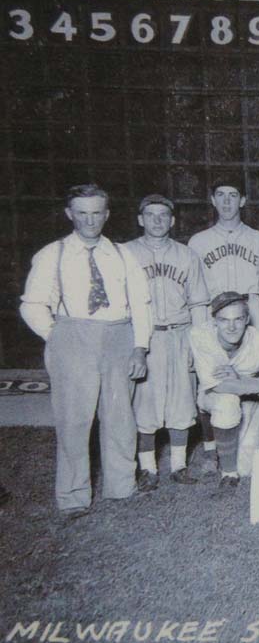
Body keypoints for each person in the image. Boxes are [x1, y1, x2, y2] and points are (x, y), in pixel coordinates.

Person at [20, 183, 152, 519]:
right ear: (69, 214)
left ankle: (122, 486)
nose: (90, 220)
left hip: (119, 335)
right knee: (74, 420)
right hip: (73, 334)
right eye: (82, 213)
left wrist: (140, 347)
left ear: (107, 214)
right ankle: (74, 495)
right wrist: (59, 336)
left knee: (120, 417)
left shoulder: (123, 255)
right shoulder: (53, 254)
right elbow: (32, 304)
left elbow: (141, 304)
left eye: (96, 213)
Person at [125, 194, 210, 488]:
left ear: (173, 221)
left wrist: (197, 346)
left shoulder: (186, 255)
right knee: (144, 405)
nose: (157, 221)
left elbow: (199, 303)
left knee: (181, 402)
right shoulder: (125, 253)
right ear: (140, 219)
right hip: (144, 336)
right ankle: (148, 469)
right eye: (151, 215)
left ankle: (178, 465)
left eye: (163, 215)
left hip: (179, 333)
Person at [189, 293, 259, 487]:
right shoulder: (200, 335)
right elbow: (218, 385)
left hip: (252, 399)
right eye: (224, 320)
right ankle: (228, 473)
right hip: (213, 396)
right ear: (214, 322)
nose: (231, 327)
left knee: (248, 469)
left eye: (238, 319)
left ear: (247, 319)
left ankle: (230, 458)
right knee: (227, 401)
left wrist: (241, 378)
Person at [188, 178, 259, 332]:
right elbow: (193, 293)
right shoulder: (197, 242)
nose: (226, 201)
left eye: (233, 195)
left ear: (242, 201)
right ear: (213, 200)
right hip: (213, 313)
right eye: (221, 195)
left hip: (252, 312)